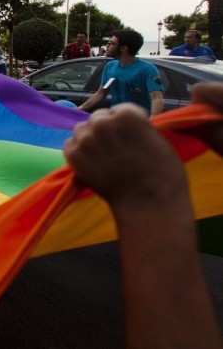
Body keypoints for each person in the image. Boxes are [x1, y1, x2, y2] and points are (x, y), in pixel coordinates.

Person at [63, 83, 223, 349]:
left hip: (129, 140)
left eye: (114, 40)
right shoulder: (111, 69)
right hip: (117, 135)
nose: (111, 43)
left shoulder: (146, 71)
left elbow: (156, 98)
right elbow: (101, 94)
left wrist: (146, 198)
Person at [78, 29, 164, 116]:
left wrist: (152, 123)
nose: (107, 46)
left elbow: (157, 99)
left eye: (111, 43)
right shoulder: (110, 67)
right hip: (116, 120)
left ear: (123, 48)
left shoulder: (147, 69)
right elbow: (100, 94)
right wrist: (78, 109)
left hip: (138, 122)